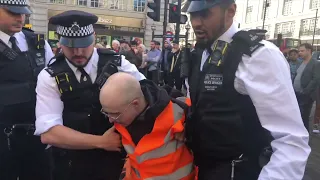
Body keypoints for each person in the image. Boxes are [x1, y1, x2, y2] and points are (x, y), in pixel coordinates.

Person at [183, 0, 310, 179]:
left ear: (230, 11)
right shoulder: (202, 53)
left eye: (204, 14)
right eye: (192, 15)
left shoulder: (259, 55)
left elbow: (291, 141)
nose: (195, 22)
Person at [34, 10, 145, 180]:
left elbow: (148, 96)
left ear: (93, 37)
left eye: (84, 44)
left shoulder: (118, 63)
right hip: (71, 165)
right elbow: (49, 133)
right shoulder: (49, 76)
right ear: (60, 42)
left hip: (117, 163)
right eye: (70, 46)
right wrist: (101, 142)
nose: (78, 52)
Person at [99, 72, 195, 180]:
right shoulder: (121, 117)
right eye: (106, 112)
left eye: (115, 114)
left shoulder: (182, 112)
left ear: (135, 104)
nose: (110, 120)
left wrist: (191, 128)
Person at [0, 1, 54, 180]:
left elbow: (53, 84)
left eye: (23, 13)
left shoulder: (37, 43)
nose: (20, 18)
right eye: (12, 13)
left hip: (36, 136)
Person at [294, 43, 320, 132]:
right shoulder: (300, 62)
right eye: (299, 51)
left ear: (309, 51)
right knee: (297, 117)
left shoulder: (315, 63)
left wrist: (305, 91)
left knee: (304, 117)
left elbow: (315, 79)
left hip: (306, 95)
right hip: (296, 93)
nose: (299, 53)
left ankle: (305, 138)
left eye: (302, 51)